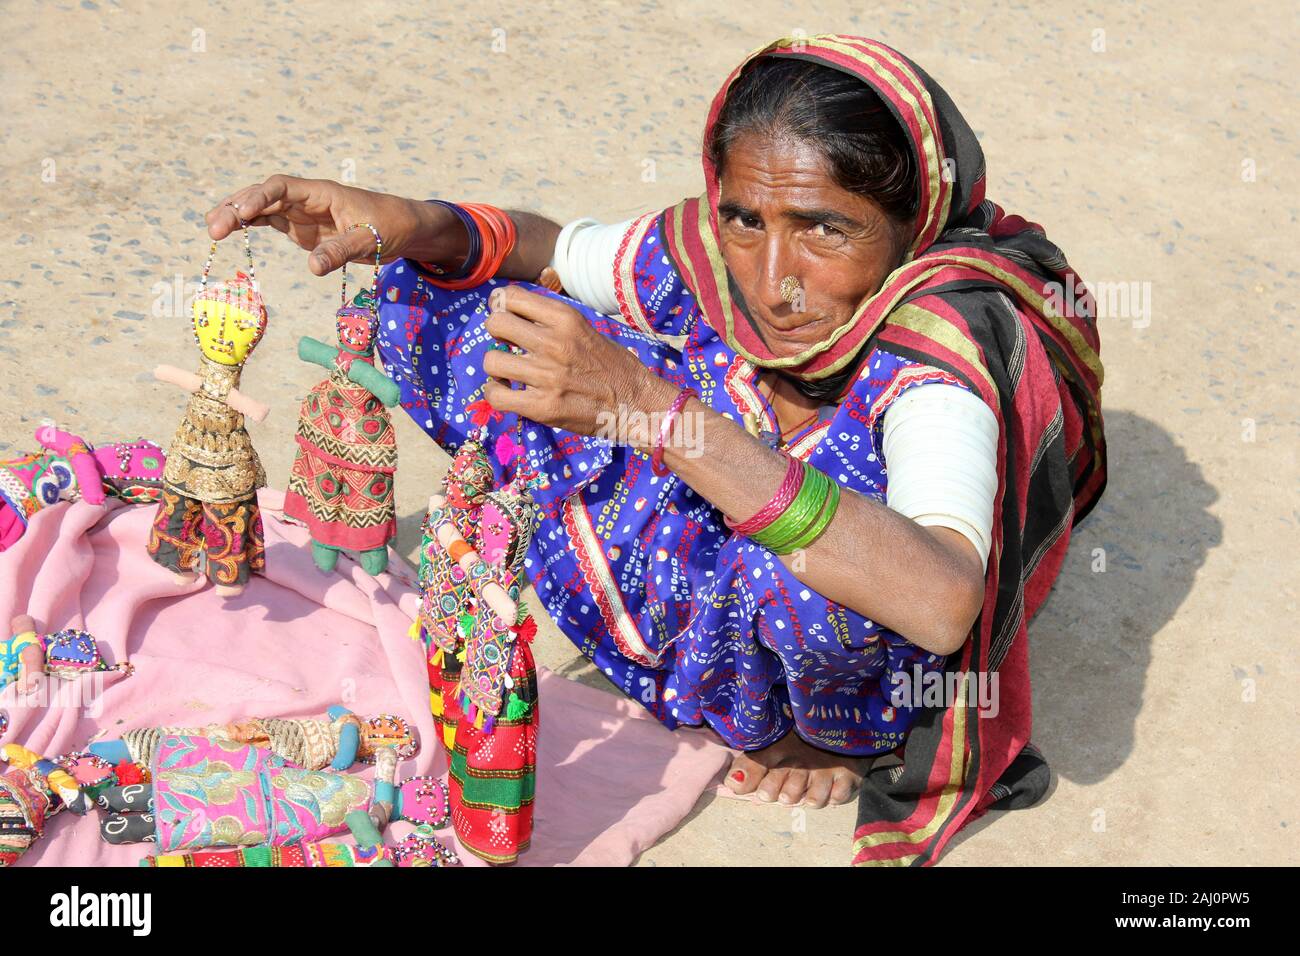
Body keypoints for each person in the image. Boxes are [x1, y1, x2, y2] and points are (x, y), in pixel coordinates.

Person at [205, 34, 1105, 865]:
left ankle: (822, 727)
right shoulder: (717, 250)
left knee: (815, 555)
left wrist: (650, 409)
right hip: (720, 467)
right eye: (746, 218)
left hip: (842, 591)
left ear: (914, 223)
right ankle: (674, 646)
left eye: (826, 229)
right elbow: (552, 251)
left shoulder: (939, 347)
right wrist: (411, 221)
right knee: (449, 299)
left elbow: (943, 599)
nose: (772, 277)